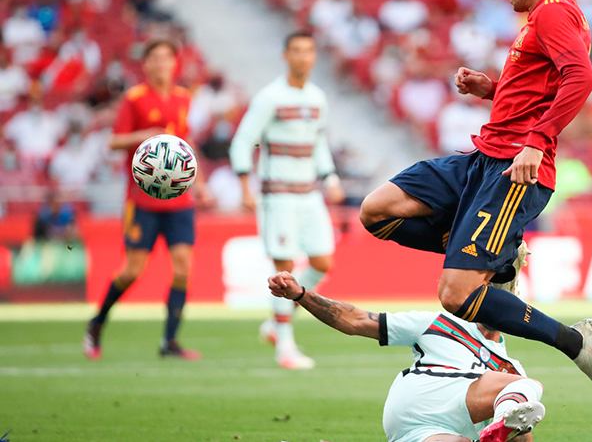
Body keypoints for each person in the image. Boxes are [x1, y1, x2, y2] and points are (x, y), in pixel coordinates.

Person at [358, 0, 592, 403]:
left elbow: (582, 78)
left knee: (455, 296)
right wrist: (491, 89)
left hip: (513, 171)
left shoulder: (556, 12)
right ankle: (497, 257)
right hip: (484, 158)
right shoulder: (545, 15)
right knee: (377, 212)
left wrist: (537, 142)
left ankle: (576, 343)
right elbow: (536, 91)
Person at [268, 266, 563, 442]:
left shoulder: (508, 366)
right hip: (424, 397)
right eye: (490, 292)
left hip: (430, 429)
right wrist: (300, 294)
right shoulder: (438, 322)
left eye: (502, 295)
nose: (496, 300)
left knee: (520, 392)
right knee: (528, 386)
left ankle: (500, 423)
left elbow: (522, 431)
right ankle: (501, 421)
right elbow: (356, 320)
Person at [83, 39, 214, 361]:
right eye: (154, 59)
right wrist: (141, 136)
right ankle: (97, 322)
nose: (161, 65)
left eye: (166, 59)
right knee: (132, 270)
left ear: (174, 64)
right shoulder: (135, 98)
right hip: (142, 200)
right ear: (146, 64)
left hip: (179, 200)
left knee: (183, 266)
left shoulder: (184, 98)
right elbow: (113, 141)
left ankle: (169, 342)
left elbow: (185, 145)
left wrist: (199, 183)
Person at [229, 32, 345, 369]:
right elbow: (243, 141)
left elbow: (318, 141)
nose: (303, 57)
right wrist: (244, 187)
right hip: (277, 195)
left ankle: (275, 322)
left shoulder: (317, 98)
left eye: (308, 51)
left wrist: (330, 178)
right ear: (286, 55)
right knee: (284, 268)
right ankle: (285, 345)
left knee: (322, 263)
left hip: (309, 194)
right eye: (296, 51)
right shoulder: (270, 98)